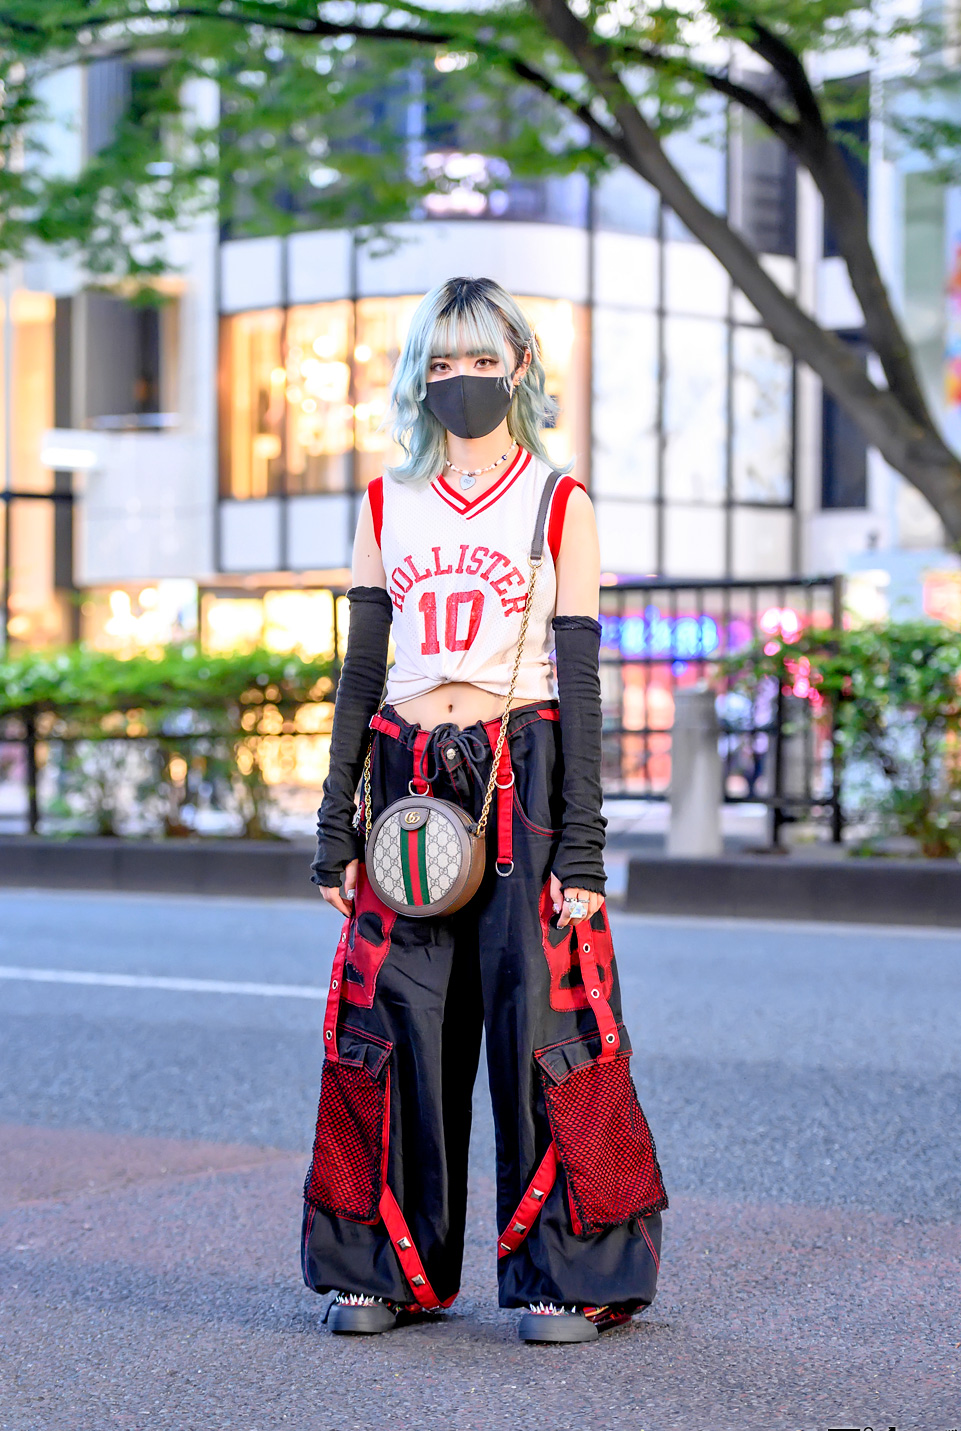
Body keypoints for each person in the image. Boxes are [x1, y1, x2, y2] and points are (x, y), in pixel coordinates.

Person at [302, 276, 666, 1344]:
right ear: (421, 374)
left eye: (480, 358)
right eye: (442, 361)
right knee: (392, 1020)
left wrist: (584, 848)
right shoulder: (383, 502)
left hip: (525, 764)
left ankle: (567, 1269)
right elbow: (359, 668)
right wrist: (335, 819)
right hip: (406, 772)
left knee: (542, 1021)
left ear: (520, 365)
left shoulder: (560, 500)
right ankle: (384, 1268)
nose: (462, 380)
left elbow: (582, 676)